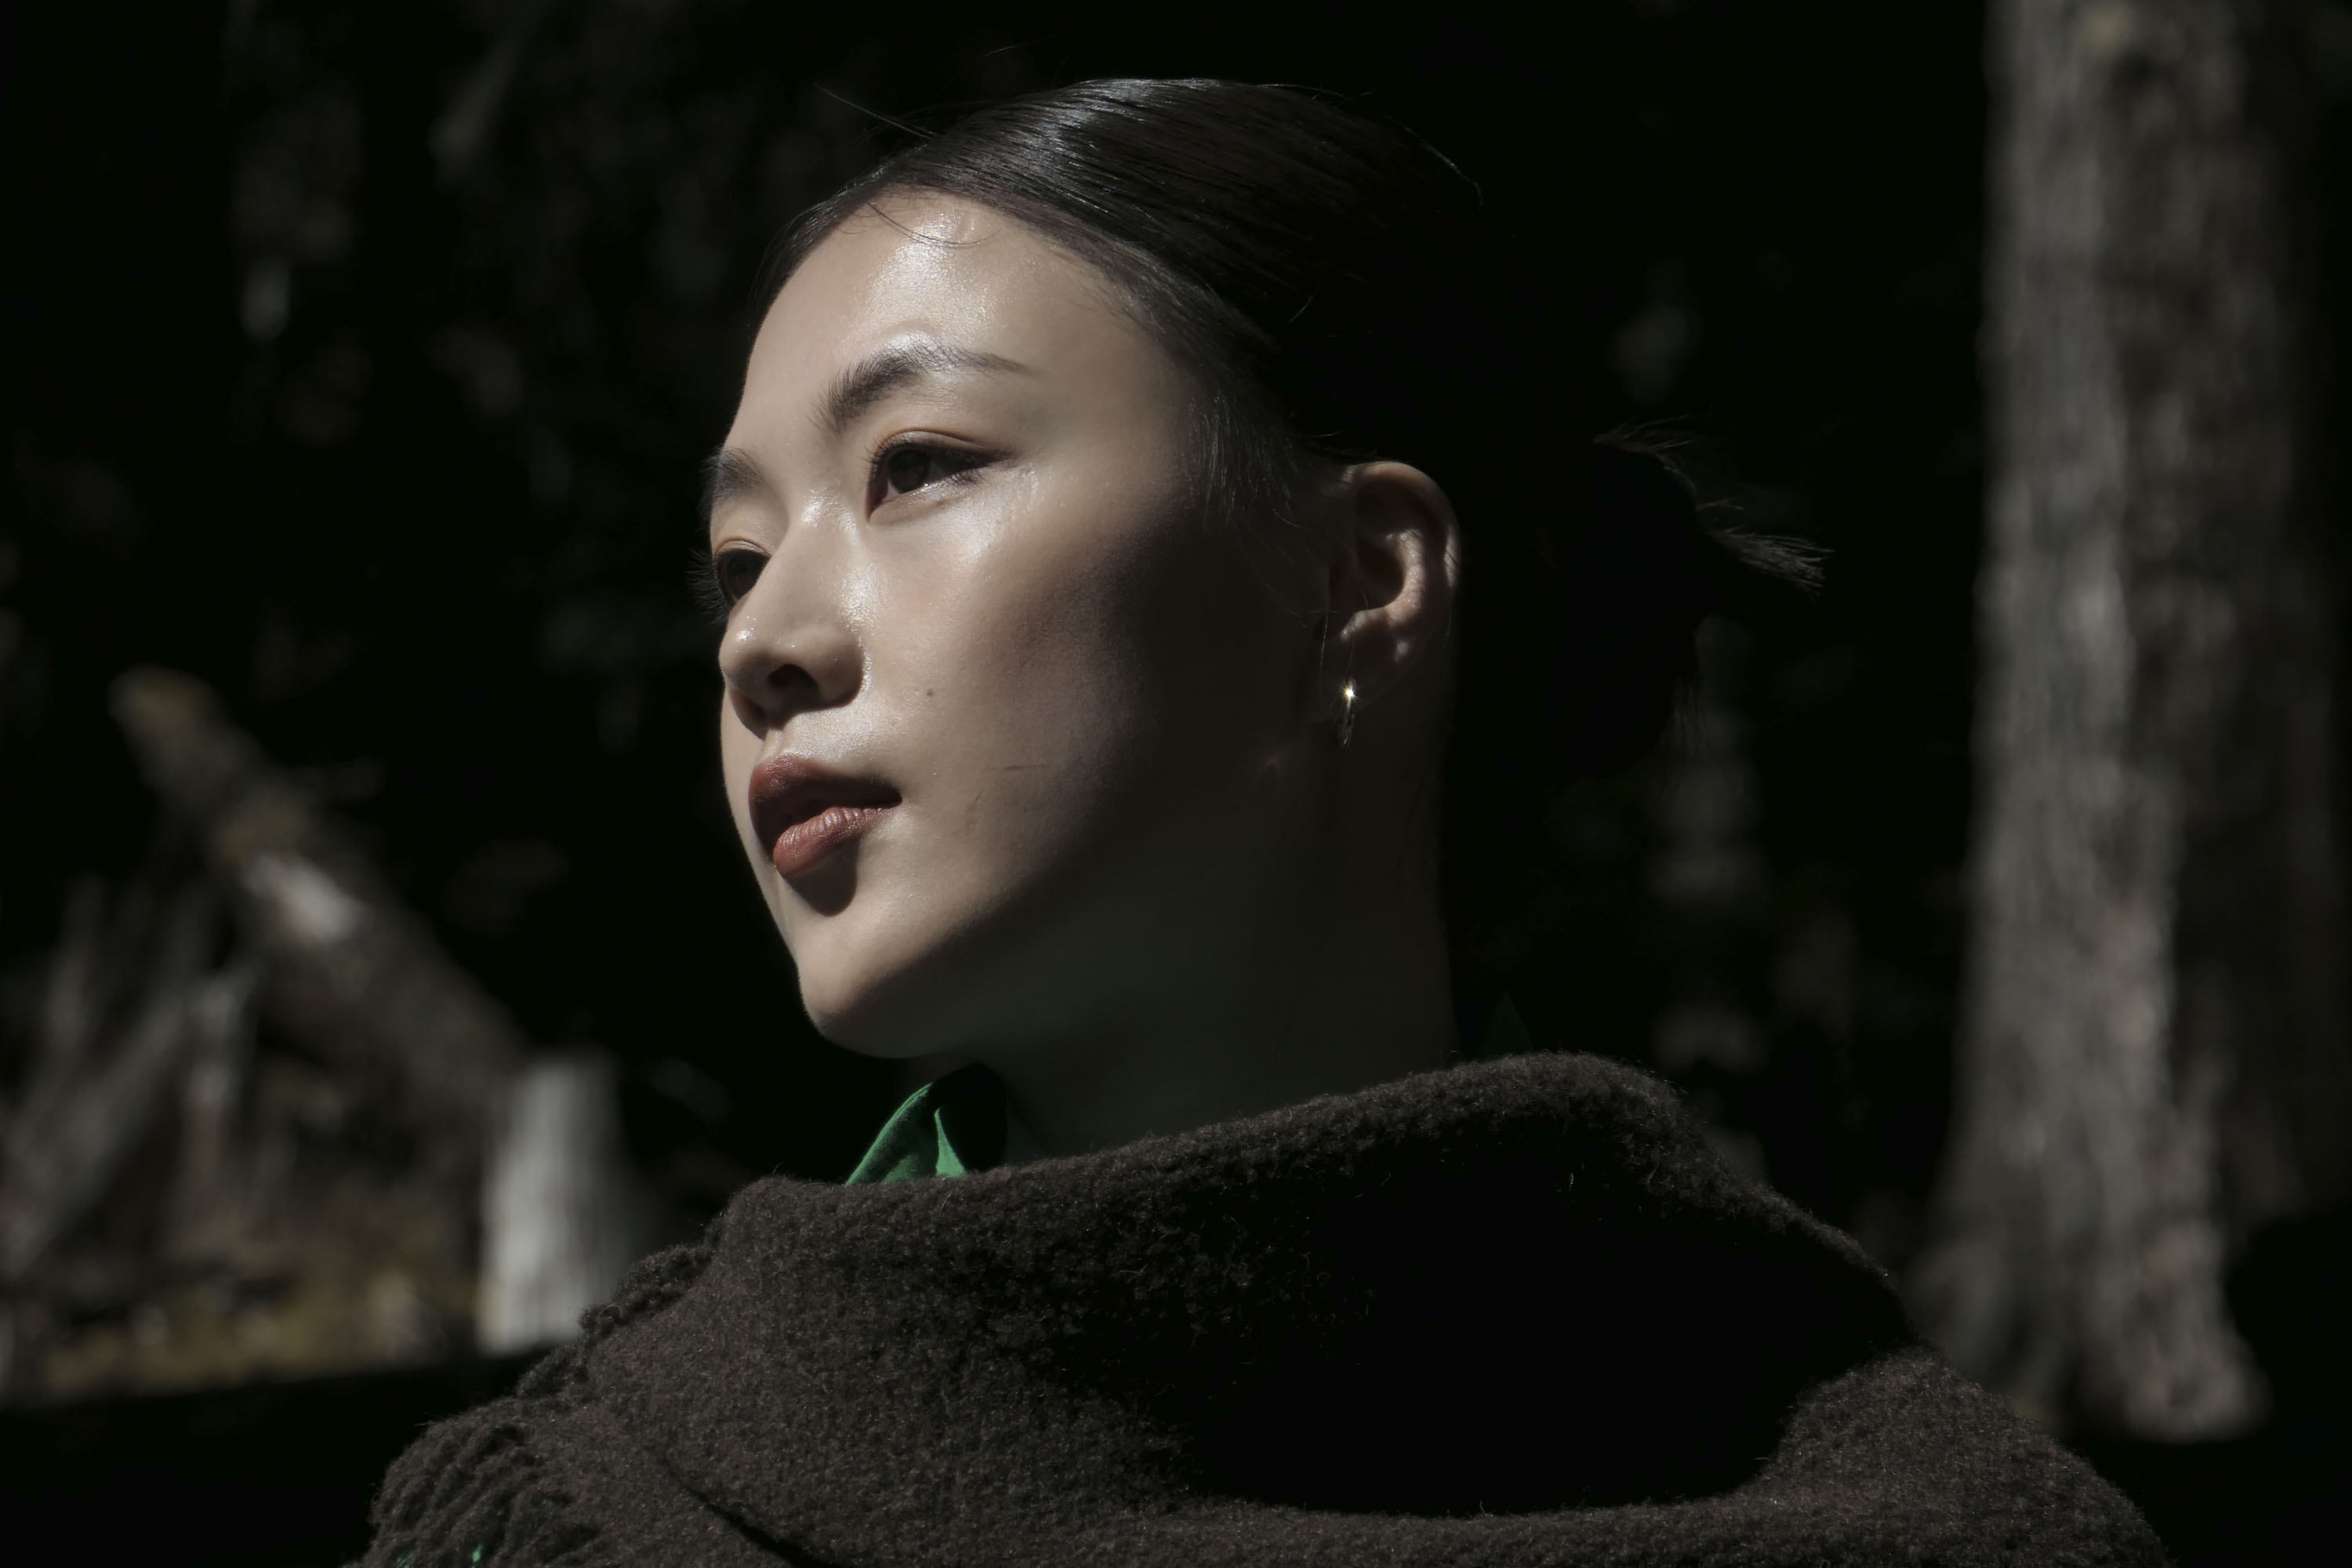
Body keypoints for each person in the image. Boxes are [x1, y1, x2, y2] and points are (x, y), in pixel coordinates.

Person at [364, 79, 2160, 1566]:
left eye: (917, 466)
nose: (764, 634)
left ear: (1361, 581)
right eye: (739, 559)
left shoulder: (1942, 1525)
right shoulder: (581, 1520)